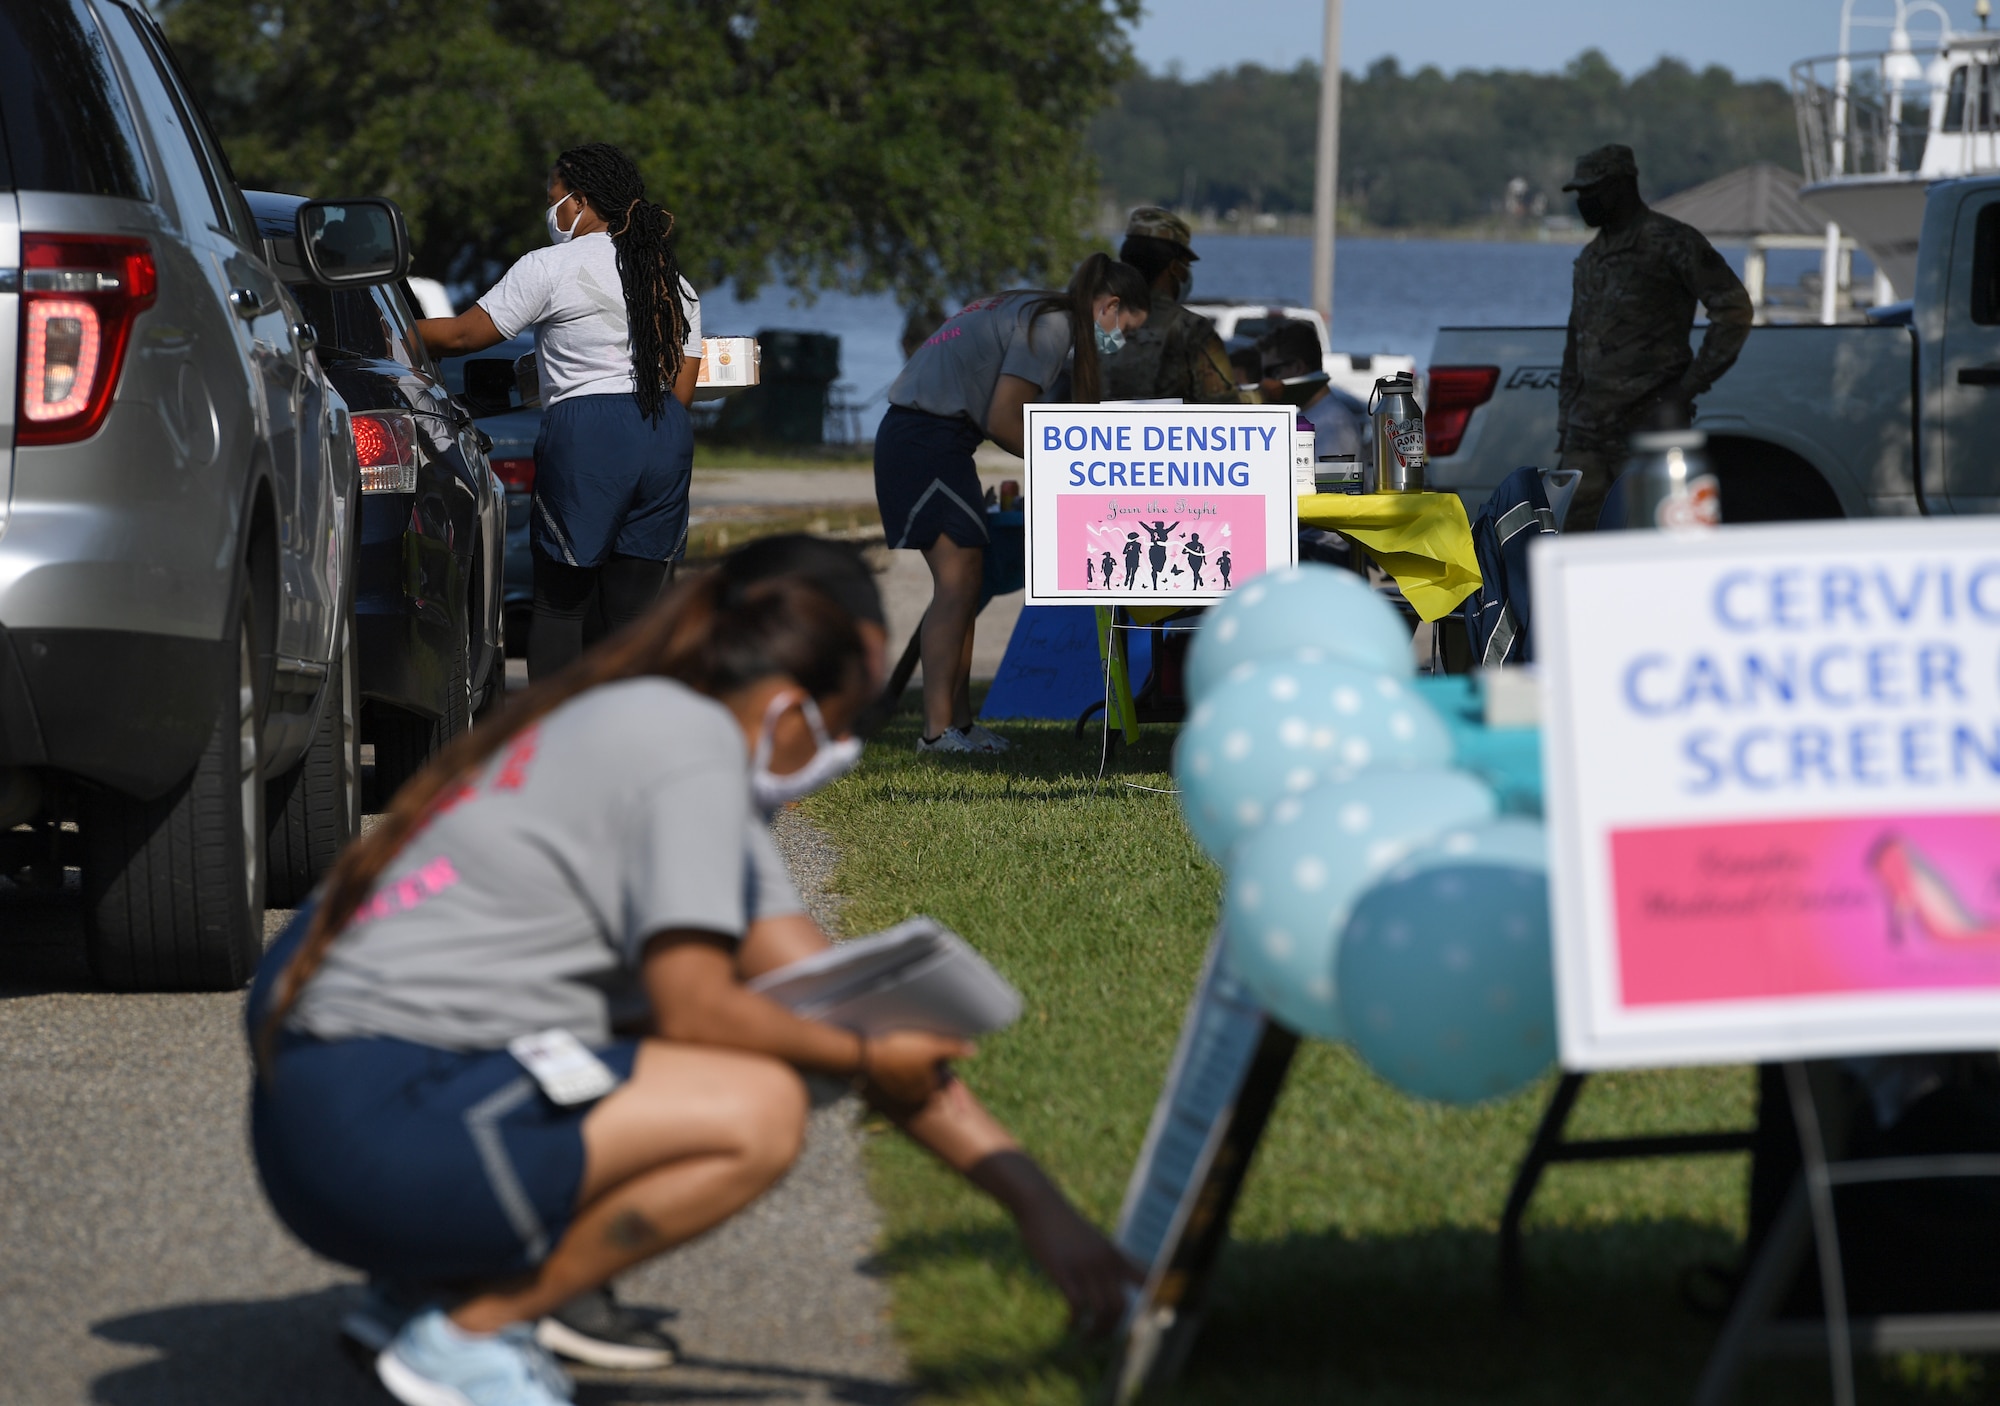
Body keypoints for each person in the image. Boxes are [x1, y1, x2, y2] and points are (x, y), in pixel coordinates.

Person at [248, 540, 1133, 1406]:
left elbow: (849, 1008)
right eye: (852, 717)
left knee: (731, 1044)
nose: (846, 751)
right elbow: (705, 1004)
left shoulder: (631, 723)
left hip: (317, 1113)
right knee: (755, 1109)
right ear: (791, 709)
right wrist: (865, 1061)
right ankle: (468, 1336)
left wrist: (1033, 1203)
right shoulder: (687, 754)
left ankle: (421, 1290)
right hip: (371, 1131)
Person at [416, 143, 703, 679]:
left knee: (561, 605)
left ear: (582, 201)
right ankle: (638, 741)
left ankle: (554, 743)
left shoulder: (549, 266)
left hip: (589, 432)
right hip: (666, 431)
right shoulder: (672, 279)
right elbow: (682, 387)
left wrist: (383, 332)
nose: (551, 211)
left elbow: (460, 336)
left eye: (554, 198)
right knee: (635, 613)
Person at [875, 254, 1150, 754]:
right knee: (956, 586)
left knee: (969, 581)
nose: (1120, 340)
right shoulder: (1053, 326)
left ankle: (960, 725)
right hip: (923, 439)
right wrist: (1068, 462)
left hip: (937, 439)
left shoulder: (1038, 307)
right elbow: (1005, 419)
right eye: (1125, 327)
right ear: (1110, 305)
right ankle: (936, 733)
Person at [1557, 143, 1753, 532]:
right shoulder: (1591, 257)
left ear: (1620, 186)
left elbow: (1734, 310)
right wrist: (1566, 419)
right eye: (1580, 194)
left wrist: (1686, 389)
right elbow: (1575, 340)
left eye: (1591, 192)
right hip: (1587, 437)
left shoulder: (1671, 243)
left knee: (1654, 534)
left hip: (1650, 429)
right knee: (1576, 542)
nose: (1584, 202)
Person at [1100, 206, 1241, 404]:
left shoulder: (1097, 325)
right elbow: (1224, 407)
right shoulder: (1192, 330)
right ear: (1174, 267)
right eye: (1186, 265)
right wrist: (1264, 395)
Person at [1255, 320, 1368, 460]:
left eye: (1271, 372)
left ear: (1297, 368)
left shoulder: (1334, 426)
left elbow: (1332, 481)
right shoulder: (1312, 416)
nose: (1266, 382)